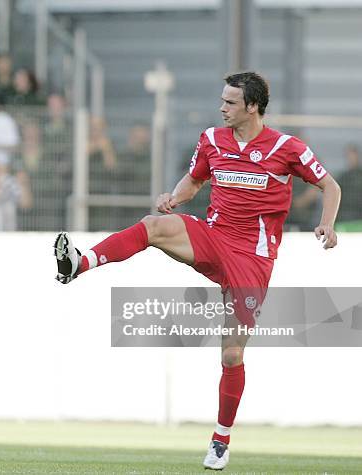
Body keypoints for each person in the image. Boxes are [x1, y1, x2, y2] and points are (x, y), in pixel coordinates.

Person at [53, 72, 341, 470]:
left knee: (231, 355)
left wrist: (328, 224)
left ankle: (220, 441)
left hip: (252, 259)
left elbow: (331, 186)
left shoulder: (285, 147)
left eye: (230, 102)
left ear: (252, 106)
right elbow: (195, 181)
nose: (222, 108)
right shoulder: (212, 139)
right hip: (213, 235)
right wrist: (174, 197)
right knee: (153, 225)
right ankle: (79, 263)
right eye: (222, 101)